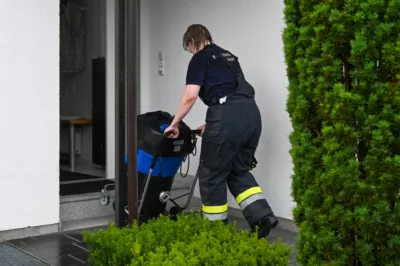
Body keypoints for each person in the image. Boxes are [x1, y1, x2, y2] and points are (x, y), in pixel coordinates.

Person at [164, 24, 278, 238]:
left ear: (191, 42)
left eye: (188, 47)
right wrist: (211, 125)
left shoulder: (200, 58)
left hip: (227, 117)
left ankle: (215, 233)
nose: (190, 51)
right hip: (251, 116)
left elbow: (190, 96)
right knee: (238, 170)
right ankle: (262, 216)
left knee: (212, 175)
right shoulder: (229, 57)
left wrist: (175, 123)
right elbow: (232, 92)